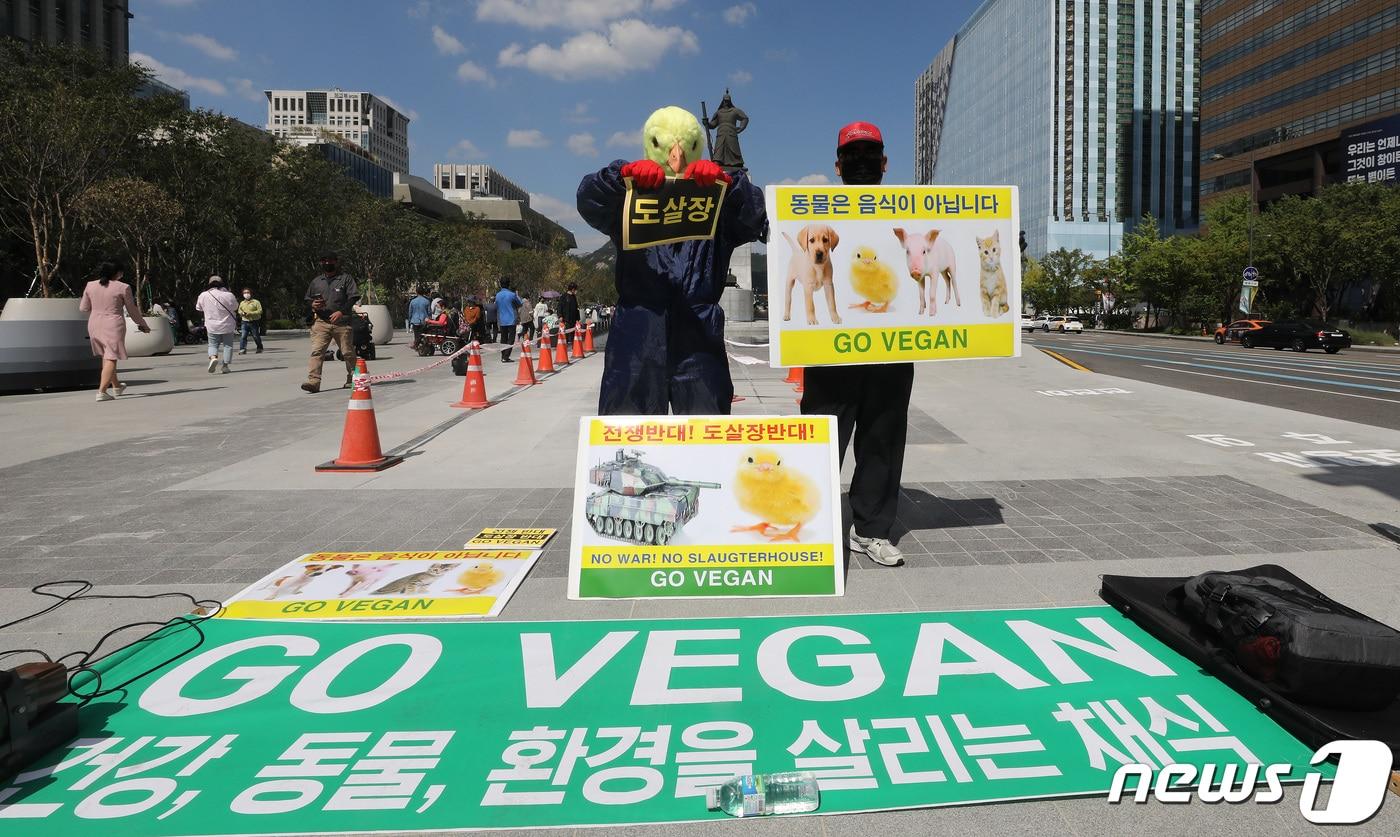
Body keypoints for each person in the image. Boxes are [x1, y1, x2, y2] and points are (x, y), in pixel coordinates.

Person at [577, 105, 766, 414]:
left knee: (704, 432)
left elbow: (755, 218)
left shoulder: (714, 201)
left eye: (685, 147)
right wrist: (619, 176)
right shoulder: (630, 196)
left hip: (698, 333)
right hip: (638, 332)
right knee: (628, 432)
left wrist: (729, 186)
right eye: (666, 147)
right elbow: (589, 200)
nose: (675, 156)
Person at [799, 121, 907, 567]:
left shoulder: (909, 213)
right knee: (822, 437)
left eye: (871, 154)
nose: (862, 162)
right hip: (829, 353)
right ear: (838, 165)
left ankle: (871, 530)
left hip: (891, 352)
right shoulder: (814, 214)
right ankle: (811, 525)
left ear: (884, 163)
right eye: (853, 155)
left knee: (882, 439)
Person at [79, 261, 150, 402]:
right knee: (111, 357)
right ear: (117, 273)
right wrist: (142, 324)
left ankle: (117, 386)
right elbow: (132, 309)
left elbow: (84, 308)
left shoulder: (90, 285)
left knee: (106, 356)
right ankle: (102, 392)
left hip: (94, 324)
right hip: (113, 324)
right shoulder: (123, 287)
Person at [301, 252, 359, 393]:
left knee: (347, 352)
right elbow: (308, 299)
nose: (328, 263)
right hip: (321, 322)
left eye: (331, 261)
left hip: (342, 322)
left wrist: (341, 312)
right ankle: (313, 381)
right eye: (325, 261)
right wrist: (313, 304)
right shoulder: (316, 281)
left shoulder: (346, 279)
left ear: (336, 262)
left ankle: (354, 378)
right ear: (321, 263)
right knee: (317, 351)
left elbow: (353, 297)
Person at [195, 275, 239, 374]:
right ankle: (225, 366)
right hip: (228, 325)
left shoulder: (203, 295)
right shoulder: (229, 295)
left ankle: (213, 357)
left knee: (213, 345)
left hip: (212, 325)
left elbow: (198, 308)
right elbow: (236, 307)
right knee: (228, 346)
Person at [494, 278, 523, 363]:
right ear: (508, 284)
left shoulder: (498, 295)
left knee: (503, 339)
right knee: (510, 339)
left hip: (502, 320)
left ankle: (503, 356)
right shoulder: (512, 295)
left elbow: (497, 306)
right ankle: (506, 356)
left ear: (500, 284)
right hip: (511, 319)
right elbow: (520, 304)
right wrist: (516, 294)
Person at [237, 286, 264, 354]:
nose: (246, 294)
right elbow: (239, 310)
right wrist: (242, 313)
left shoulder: (256, 302)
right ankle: (242, 349)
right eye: (245, 293)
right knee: (243, 336)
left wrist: (251, 313)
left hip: (254, 322)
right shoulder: (242, 303)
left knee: (255, 336)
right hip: (244, 322)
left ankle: (259, 347)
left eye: (247, 292)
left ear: (251, 293)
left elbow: (260, 311)